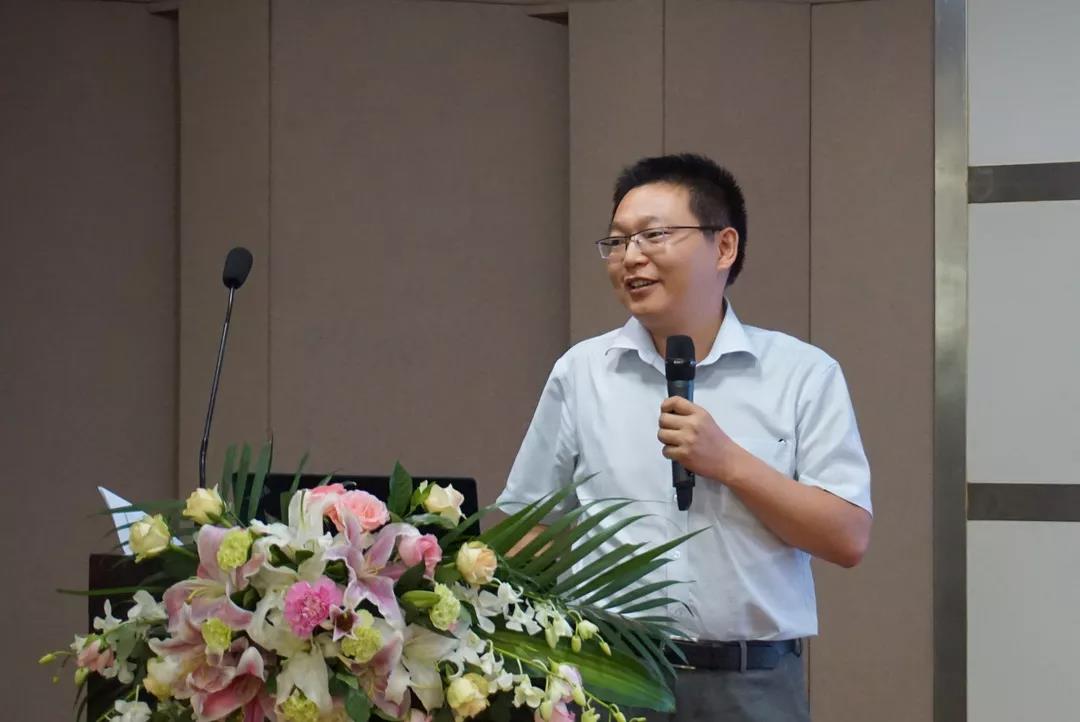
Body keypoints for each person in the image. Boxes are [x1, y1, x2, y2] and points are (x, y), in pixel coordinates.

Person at [496, 153, 873, 722]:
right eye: (618, 241)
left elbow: (847, 538)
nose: (631, 257)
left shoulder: (802, 373)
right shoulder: (582, 373)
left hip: (751, 684)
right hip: (612, 676)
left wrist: (730, 463)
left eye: (654, 235)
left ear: (724, 247)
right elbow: (530, 525)